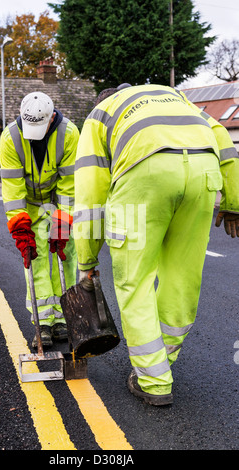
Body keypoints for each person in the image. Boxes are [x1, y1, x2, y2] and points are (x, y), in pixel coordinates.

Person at [73, 83, 239, 406]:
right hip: (203, 175)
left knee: (135, 280)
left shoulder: (98, 117)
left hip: (144, 177)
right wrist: (233, 200)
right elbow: (222, 138)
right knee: (182, 278)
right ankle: (162, 361)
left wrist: (86, 261)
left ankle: (154, 381)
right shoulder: (175, 98)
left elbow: (90, 198)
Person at [0, 91, 79, 348]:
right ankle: (43, 323)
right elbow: (13, 190)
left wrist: (63, 222)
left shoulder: (69, 134)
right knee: (36, 258)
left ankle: (64, 319)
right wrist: (20, 228)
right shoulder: (10, 137)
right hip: (32, 206)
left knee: (65, 256)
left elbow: (70, 184)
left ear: (52, 117)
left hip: (58, 202)